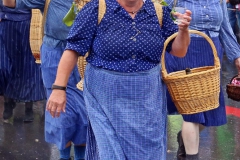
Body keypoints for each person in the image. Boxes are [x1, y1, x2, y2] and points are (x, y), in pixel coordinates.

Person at [28, 0, 192, 159]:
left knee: (148, 151)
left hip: (147, 101)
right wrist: (58, 89)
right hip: (104, 98)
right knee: (110, 150)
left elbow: (179, 51)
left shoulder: (158, 12)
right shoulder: (96, 9)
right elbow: (72, 49)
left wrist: (183, 31)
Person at [2, 0, 87, 160]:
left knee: (84, 111)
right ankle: (63, 156)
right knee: (61, 111)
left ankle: (81, 157)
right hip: (55, 53)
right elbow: (11, 3)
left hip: (85, 56)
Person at [165, 0, 240, 160]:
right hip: (184, 52)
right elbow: (160, 16)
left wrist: (237, 57)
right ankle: (192, 156)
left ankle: (184, 138)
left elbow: (225, 28)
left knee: (210, 110)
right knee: (193, 112)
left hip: (211, 54)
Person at [0, 2, 46, 123]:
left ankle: (28, 107)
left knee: (28, 66)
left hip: (28, 26)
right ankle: (8, 101)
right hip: (5, 23)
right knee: (5, 66)